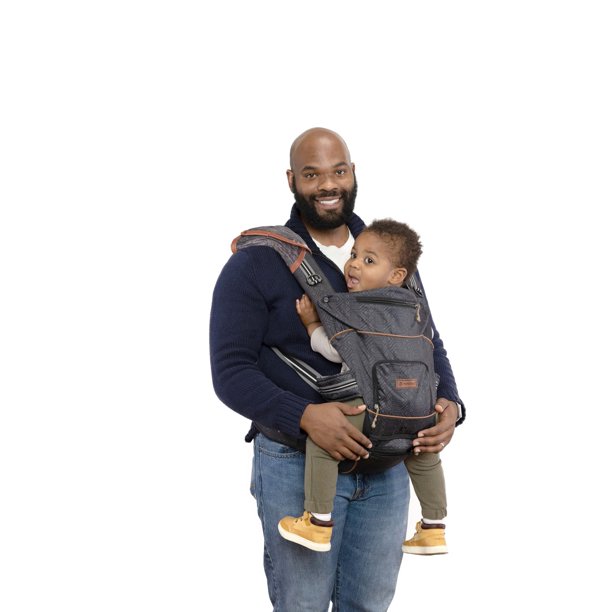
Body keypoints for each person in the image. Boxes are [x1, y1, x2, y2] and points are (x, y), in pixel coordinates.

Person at [210, 127, 465, 611]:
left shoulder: (391, 257)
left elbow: (426, 342)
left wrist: (449, 404)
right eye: (312, 174)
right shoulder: (257, 263)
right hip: (296, 463)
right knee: (302, 606)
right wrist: (305, 416)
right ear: (292, 180)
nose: (328, 184)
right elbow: (230, 371)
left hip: (390, 466)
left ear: (353, 174)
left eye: (338, 171)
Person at [277, 218, 449, 556]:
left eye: (369, 261)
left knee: (323, 442)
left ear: (397, 275)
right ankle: (434, 528)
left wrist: (311, 324)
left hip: (367, 407)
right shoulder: (414, 308)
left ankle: (318, 521)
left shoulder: (358, 306)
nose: (354, 264)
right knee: (424, 454)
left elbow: (334, 349)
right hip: (419, 408)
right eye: (354, 255)